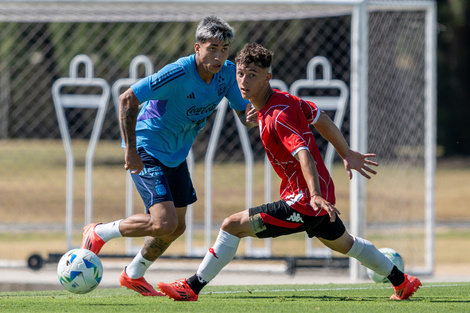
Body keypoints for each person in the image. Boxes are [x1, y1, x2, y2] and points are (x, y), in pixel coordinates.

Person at [156, 43, 422, 301]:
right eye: (240, 74)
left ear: (267, 77)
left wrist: (314, 194)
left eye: (252, 75)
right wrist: (346, 153)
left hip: (305, 202)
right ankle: (402, 281)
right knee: (347, 244)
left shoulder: (277, 116)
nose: (243, 81)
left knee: (231, 226)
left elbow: (302, 151)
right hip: (318, 199)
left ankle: (191, 287)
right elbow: (321, 118)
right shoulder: (283, 101)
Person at [80, 16, 256, 297]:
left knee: (176, 227)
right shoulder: (178, 73)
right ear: (197, 48)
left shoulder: (227, 74)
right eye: (212, 48)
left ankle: (133, 274)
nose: (219, 55)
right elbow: (128, 98)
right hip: (148, 147)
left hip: (176, 155)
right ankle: (99, 232)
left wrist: (259, 114)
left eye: (224, 49)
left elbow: (244, 114)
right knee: (164, 222)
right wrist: (131, 148)